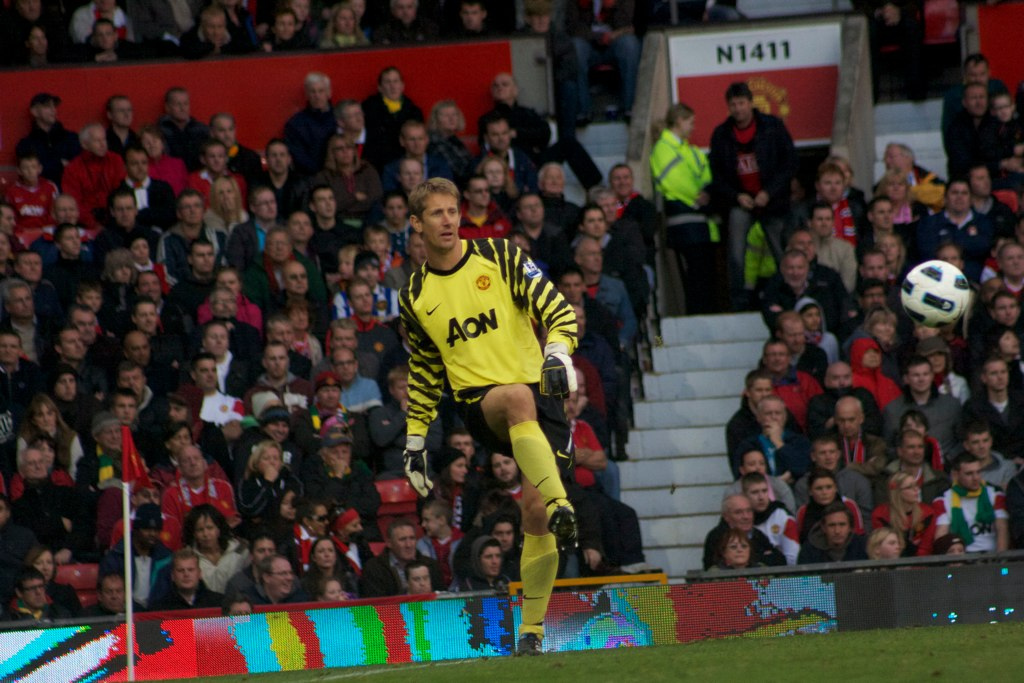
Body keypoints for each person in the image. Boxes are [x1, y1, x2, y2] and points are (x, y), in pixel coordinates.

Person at [399, 178, 577, 654]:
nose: (448, 220)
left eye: (453, 211)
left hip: (542, 397)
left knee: (533, 513)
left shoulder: (501, 256)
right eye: (435, 213)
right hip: (482, 402)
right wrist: (415, 439)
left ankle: (532, 633)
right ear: (416, 224)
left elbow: (557, 307)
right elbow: (423, 370)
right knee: (516, 397)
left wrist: (558, 353)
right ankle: (563, 504)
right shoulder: (414, 296)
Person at [709, 82, 798, 311]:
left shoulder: (772, 126)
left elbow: (789, 162)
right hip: (741, 202)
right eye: (733, 105)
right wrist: (737, 196)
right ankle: (739, 303)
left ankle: (787, 299)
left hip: (772, 201)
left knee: (781, 252)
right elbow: (717, 176)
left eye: (741, 103)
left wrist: (769, 192)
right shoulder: (721, 134)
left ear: (751, 103)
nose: (738, 109)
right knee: (736, 253)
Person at [650, 103, 719, 314]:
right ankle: (698, 316)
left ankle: (704, 314)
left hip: (701, 223)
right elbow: (675, 181)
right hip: (685, 223)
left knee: (705, 274)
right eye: (690, 122)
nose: (693, 127)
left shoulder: (690, 150)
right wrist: (697, 196)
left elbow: (707, 176)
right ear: (679, 120)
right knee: (696, 275)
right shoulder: (663, 148)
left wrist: (706, 192)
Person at [934, 452, 1009, 553]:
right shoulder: (943, 498)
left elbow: (1002, 528)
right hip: (963, 561)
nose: (976, 478)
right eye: (969, 474)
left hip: (993, 558)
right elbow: (941, 536)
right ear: (955, 475)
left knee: (1005, 570)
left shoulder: (995, 493)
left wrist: (1001, 561)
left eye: (978, 472)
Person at [360, 518, 442, 598]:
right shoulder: (374, 569)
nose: (408, 545)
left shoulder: (430, 565)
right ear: (389, 543)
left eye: (412, 538)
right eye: (402, 540)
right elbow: (375, 605)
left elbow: (442, 599)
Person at [701, 493, 785, 570]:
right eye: (738, 512)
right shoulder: (717, 537)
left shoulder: (757, 534)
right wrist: (761, 557)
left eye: (749, 511)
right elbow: (713, 566)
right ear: (726, 516)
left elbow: (780, 560)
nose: (746, 517)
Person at [184, 504, 249, 594]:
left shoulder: (240, 551)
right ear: (194, 534)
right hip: (205, 606)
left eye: (210, 528)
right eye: (200, 530)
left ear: (218, 529)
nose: (206, 534)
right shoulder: (188, 558)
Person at [871, 471, 937, 556]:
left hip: (919, 564)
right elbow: (882, 548)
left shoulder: (928, 513)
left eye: (916, 485)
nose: (916, 490)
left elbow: (926, 548)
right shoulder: (880, 515)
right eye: (909, 487)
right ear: (897, 492)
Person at [741, 473, 799, 565]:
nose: (761, 497)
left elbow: (793, 558)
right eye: (755, 492)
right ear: (744, 495)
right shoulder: (736, 517)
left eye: (764, 491)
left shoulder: (784, 517)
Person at [796, 501, 868, 564]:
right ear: (823, 528)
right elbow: (804, 578)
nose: (837, 531)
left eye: (842, 524)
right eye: (831, 525)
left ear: (850, 527)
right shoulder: (808, 550)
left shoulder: (863, 546)